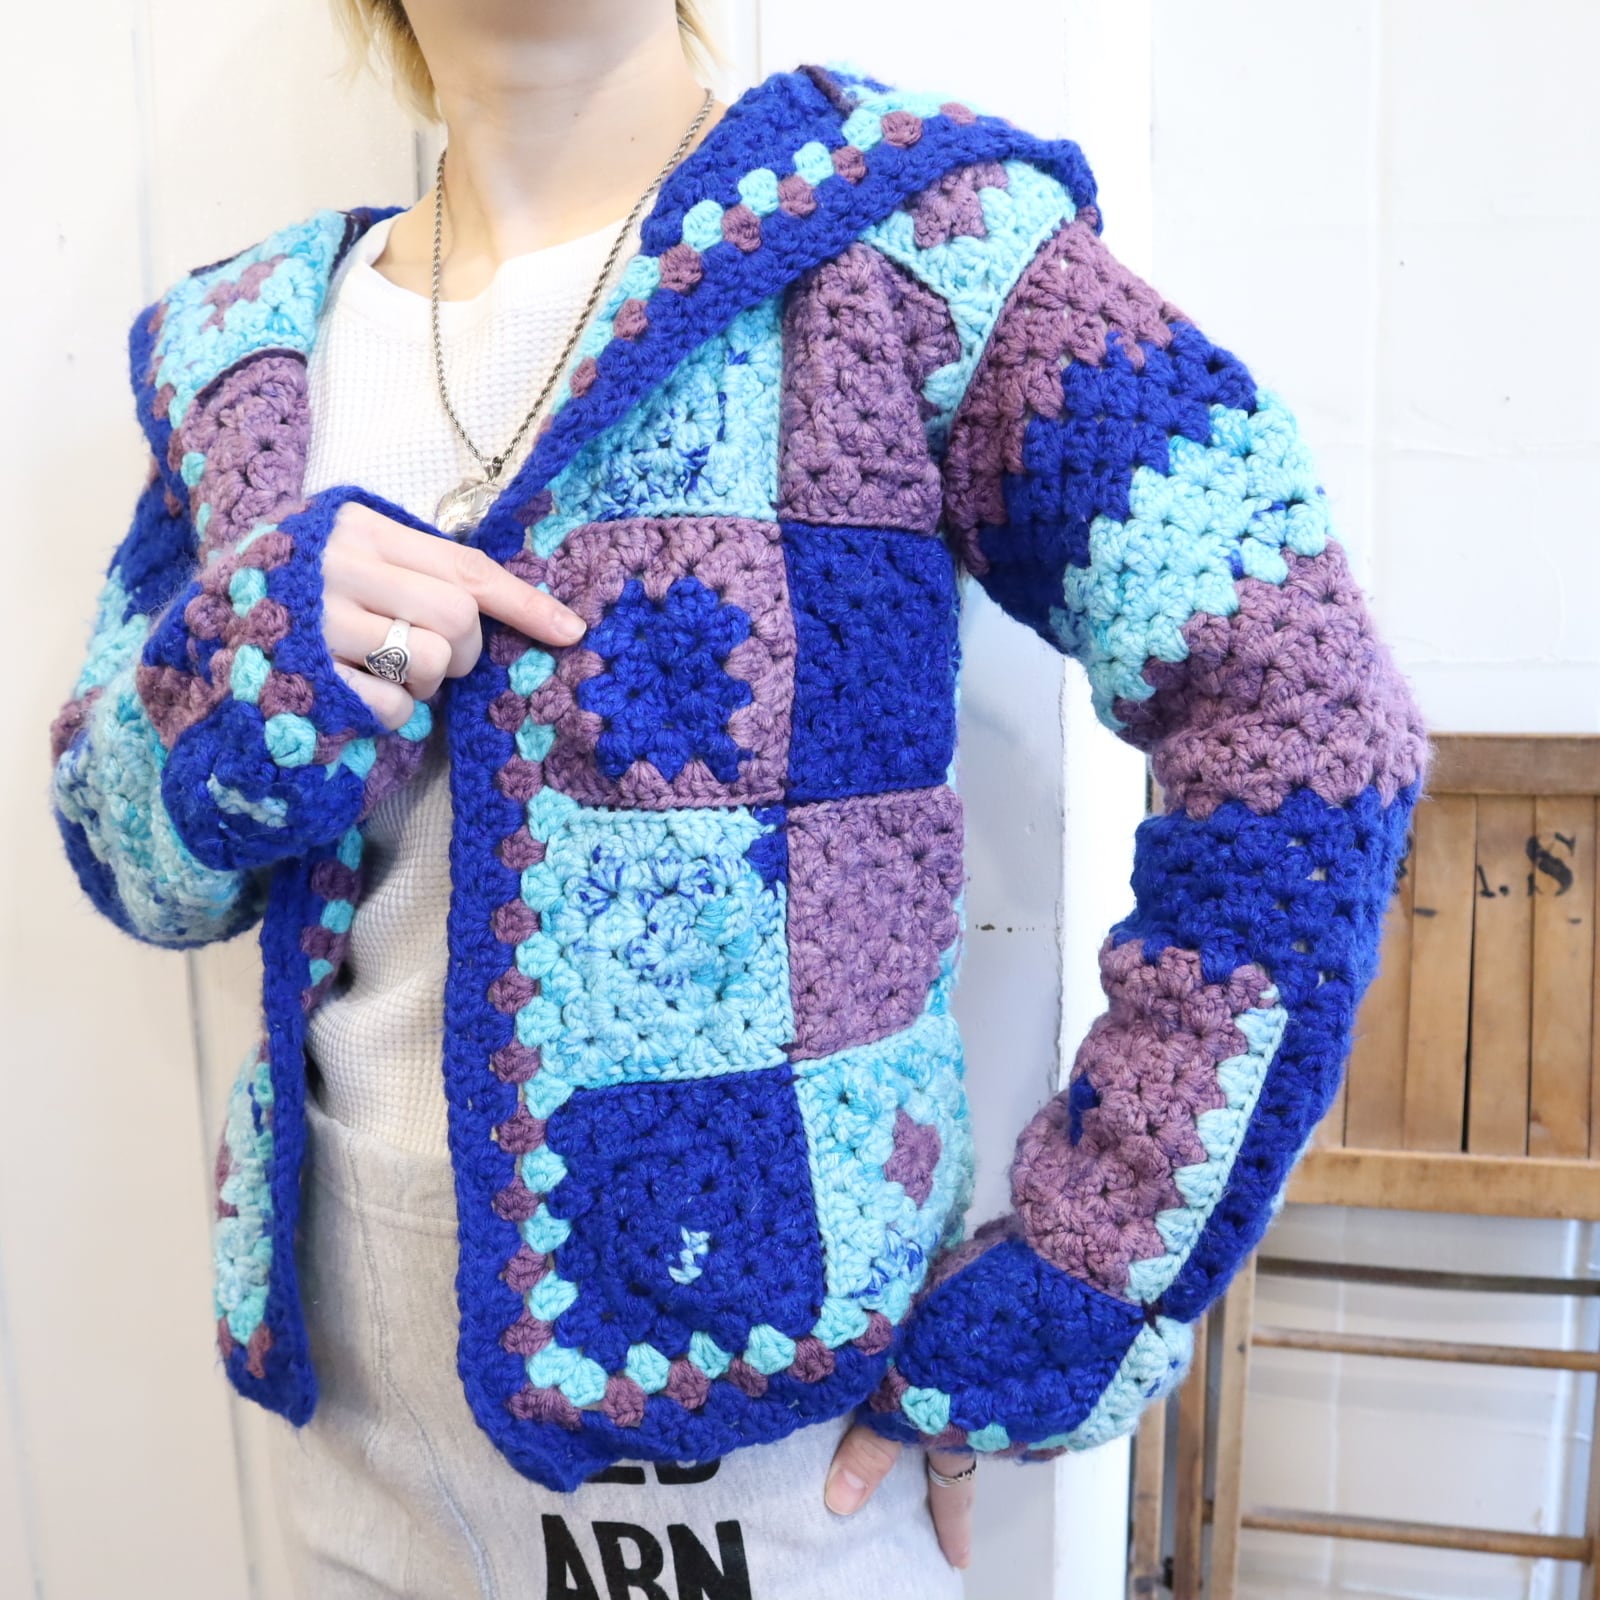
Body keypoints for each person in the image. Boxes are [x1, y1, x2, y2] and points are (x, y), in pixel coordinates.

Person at [45, 1, 1429, 1595]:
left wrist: (1098, 1268)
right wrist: (256, 673)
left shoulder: (911, 244)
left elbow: (1307, 716)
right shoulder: (244, 356)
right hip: (354, 1419)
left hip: (766, 1423)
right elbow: (135, 860)